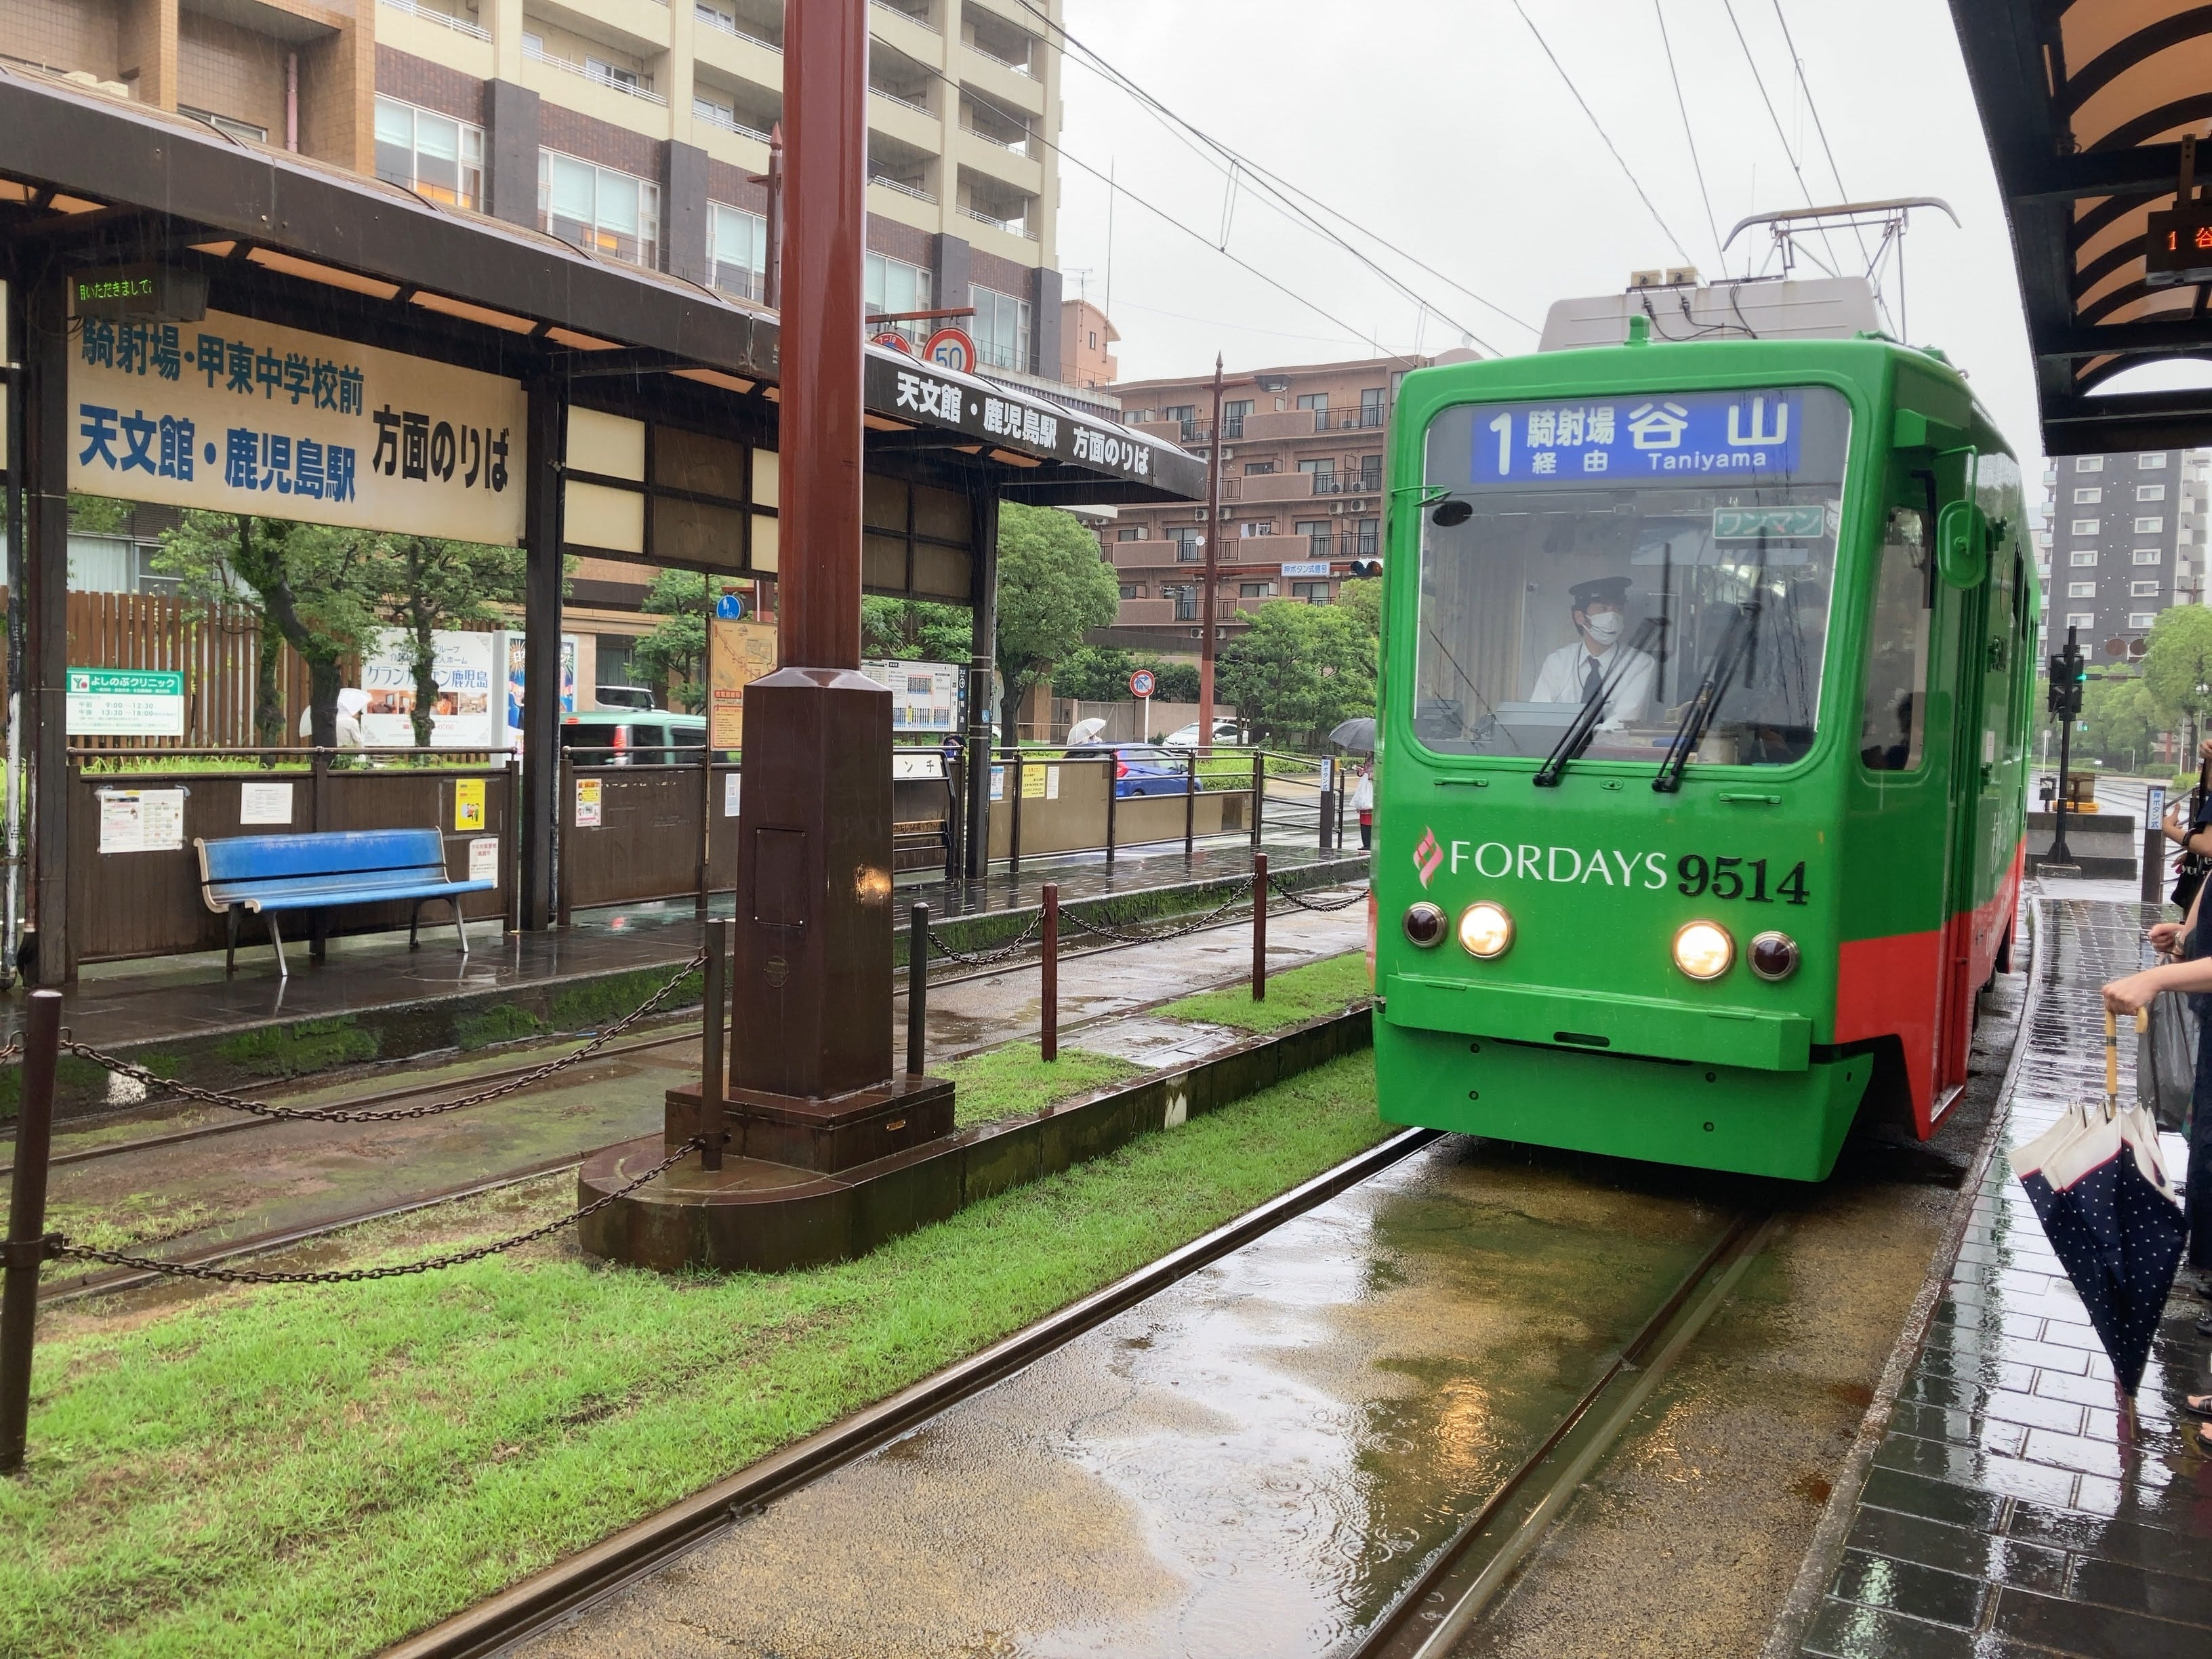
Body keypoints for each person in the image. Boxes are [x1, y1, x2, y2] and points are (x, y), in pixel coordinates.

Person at [1526, 576, 1656, 726]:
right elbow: (1539, 714)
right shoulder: (1557, 662)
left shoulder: (1639, 664)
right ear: (1580, 617)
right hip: (1562, 748)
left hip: (1614, 747)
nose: (1613, 616)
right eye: (1603, 609)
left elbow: (1625, 719)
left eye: (1619, 609)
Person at [1352, 760, 1374, 851]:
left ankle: (1370, 843)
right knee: (1364, 820)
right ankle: (1366, 843)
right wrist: (1361, 771)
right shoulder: (1369, 756)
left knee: (1372, 821)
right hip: (1365, 785)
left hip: (1372, 787)